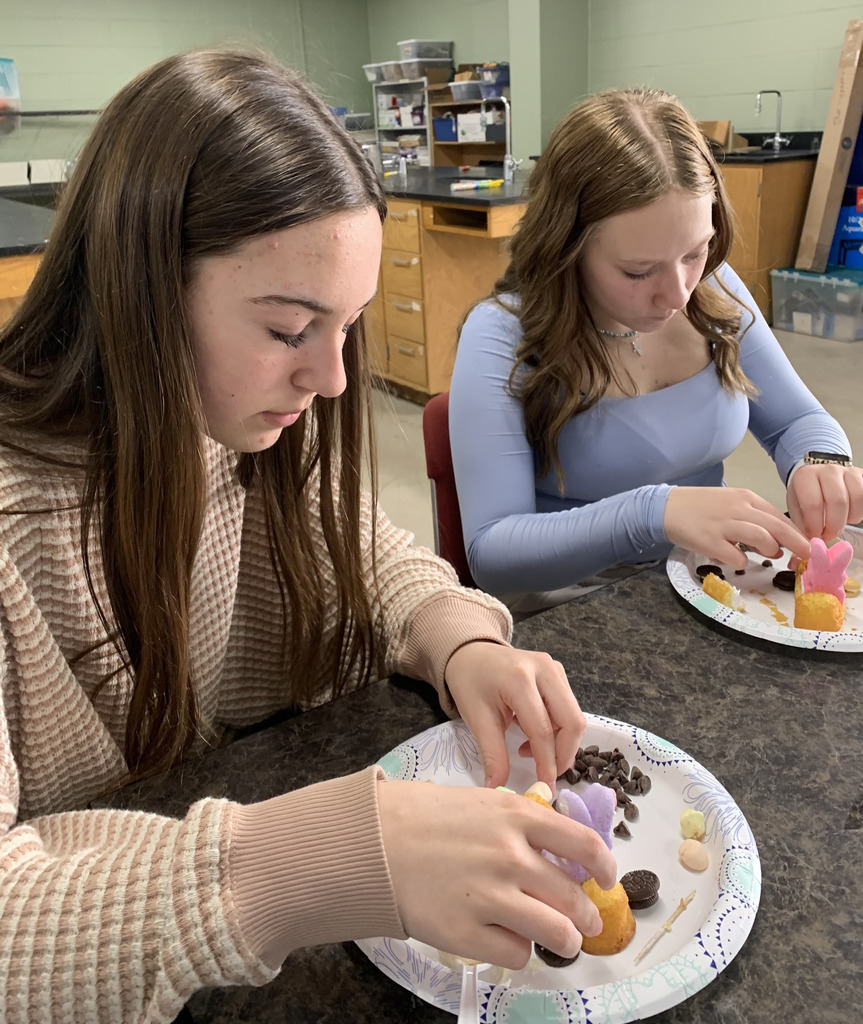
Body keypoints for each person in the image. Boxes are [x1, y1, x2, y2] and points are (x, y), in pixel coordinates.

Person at [0, 50, 617, 1023]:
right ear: (139, 290)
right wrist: (324, 859)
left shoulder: (249, 425)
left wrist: (458, 639)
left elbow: (371, 557)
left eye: (349, 324)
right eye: (290, 329)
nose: (332, 379)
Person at [450, 87, 863, 611]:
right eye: (638, 271)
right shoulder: (500, 334)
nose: (678, 293)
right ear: (567, 246)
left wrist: (818, 462)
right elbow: (493, 554)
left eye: (696, 252)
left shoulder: (714, 290)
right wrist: (654, 513)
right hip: (569, 610)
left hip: (703, 584)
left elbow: (796, 421)